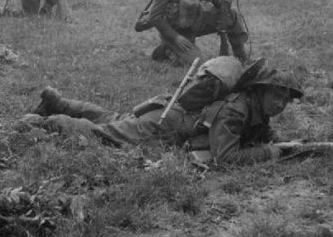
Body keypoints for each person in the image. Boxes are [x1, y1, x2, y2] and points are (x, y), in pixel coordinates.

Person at [22, 56, 303, 166]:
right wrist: (270, 153)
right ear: (259, 90)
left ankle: (60, 103)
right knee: (107, 134)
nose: (280, 104)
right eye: (276, 95)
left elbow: (262, 132)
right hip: (166, 126)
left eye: (285, 99)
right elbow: (226, 157)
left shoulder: (255, 105)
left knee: (115, 119)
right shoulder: (236, 110)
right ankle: (47, 121)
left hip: (167, 111)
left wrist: (278, 142)